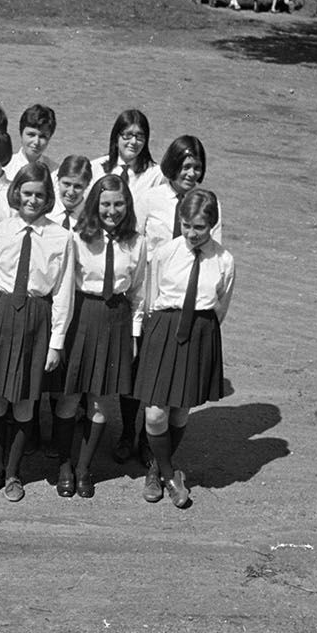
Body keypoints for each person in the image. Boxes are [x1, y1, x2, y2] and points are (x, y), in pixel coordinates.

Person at [0, 162, 73, 501]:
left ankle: (15, 475)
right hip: (2, 316)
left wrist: (56, 344)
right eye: (27, 193)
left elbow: (63, 293)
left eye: (40, 195)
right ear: (17, 193)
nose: (32, 200)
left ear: (48, 199)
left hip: (37, 320)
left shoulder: (61, 237)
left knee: (25, 402)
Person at [133, 189, 235, 509]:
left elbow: (221, 306)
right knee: (154, 414)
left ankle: (155, 470)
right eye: (187, 225)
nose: (191, 233)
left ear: (212, 226)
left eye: (199, 227)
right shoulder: (165, 253)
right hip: (163, 331)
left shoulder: (224, 260)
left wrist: (201, 335)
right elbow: (151, 297)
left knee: (178, 412)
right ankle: (169, 475)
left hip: (200, 334)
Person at [52, 174, 147, 499]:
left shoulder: (136, 242)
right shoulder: (77, 236)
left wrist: (133, 335)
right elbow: (65, 285)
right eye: (105, 203)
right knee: (68, 396)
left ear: (127, 205)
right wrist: (60, 332)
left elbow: (138, 293)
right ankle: (65, 464)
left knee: (100, 399)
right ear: (95, 204)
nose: (112, 210)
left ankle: (84, 468)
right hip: (82, 315)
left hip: (115, 321)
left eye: (118, 203)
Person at [95, 109, 164, 201]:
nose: (133, 142)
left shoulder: (156, 175)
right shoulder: (96, 168)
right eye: (127, 135)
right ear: (116, 138)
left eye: (139, 136)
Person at [8, 104, 57, 176]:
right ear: (21, 133)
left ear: (49, 138)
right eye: (31, 135)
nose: (36, 142)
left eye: (43, 136)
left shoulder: (55, 172)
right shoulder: (6, 167)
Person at [48, 154, 93, 231]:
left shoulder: (91, 218)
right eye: (66, 184)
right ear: (58, 180)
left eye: (78, 186)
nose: (71, 192)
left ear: (87, 185)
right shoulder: (44, 211)